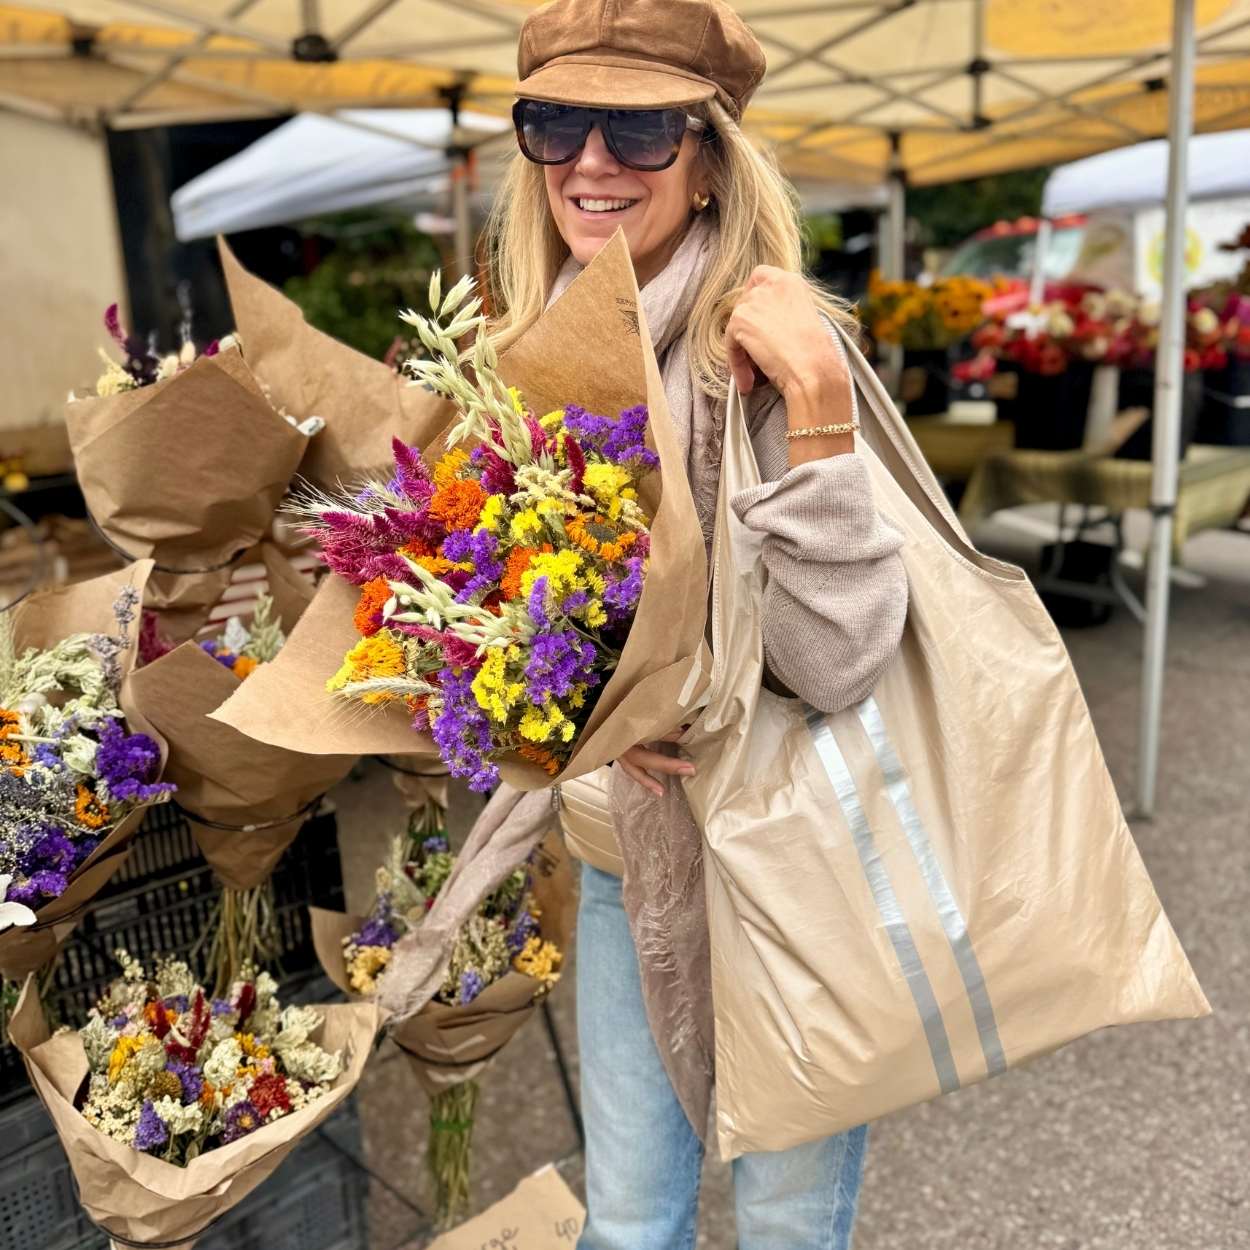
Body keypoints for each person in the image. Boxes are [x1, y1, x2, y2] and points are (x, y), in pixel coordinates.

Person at [485, 1, 908, 1246]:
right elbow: (521, 646)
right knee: (623, 1221)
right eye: (556, 122)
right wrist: (576, 722)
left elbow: (839, 659)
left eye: (639, 129)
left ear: (711, 155)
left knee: (784, 1225)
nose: (592, 162)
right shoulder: (529, 359)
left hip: (789, 859)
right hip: (625, 862)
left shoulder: (772, 348)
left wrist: (821, 413)